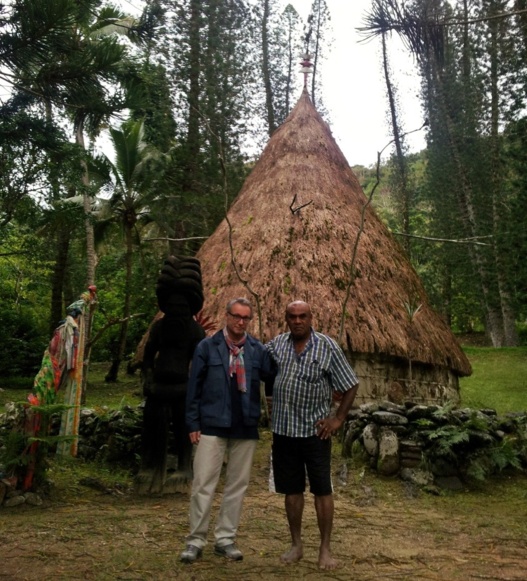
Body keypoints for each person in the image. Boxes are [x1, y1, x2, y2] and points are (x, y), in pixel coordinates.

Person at [266, 300, 359, 570]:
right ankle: (296, 544)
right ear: (286, 318)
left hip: (314, 432)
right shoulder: (277, 345)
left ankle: (325, 549)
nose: (297, 321)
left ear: (311, 317)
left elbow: (350, 384)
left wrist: (338, 418)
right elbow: (254, 360)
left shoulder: (327, 347)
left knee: (322, 489)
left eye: (302, 316)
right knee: (292, 491)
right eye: (292, 316)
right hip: (284, 431)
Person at [180, 297, 274, 564]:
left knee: (236, 486)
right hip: (211, 424)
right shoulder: (207, 347)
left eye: (246, 318)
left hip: (245, 426)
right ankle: (195, 540)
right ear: (226, 316)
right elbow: (193, 388)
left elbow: (275, 376)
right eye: (236, 316)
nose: (240, 322)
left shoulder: (257, 350)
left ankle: (225, 539)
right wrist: (193, 423)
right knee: (202, 485)